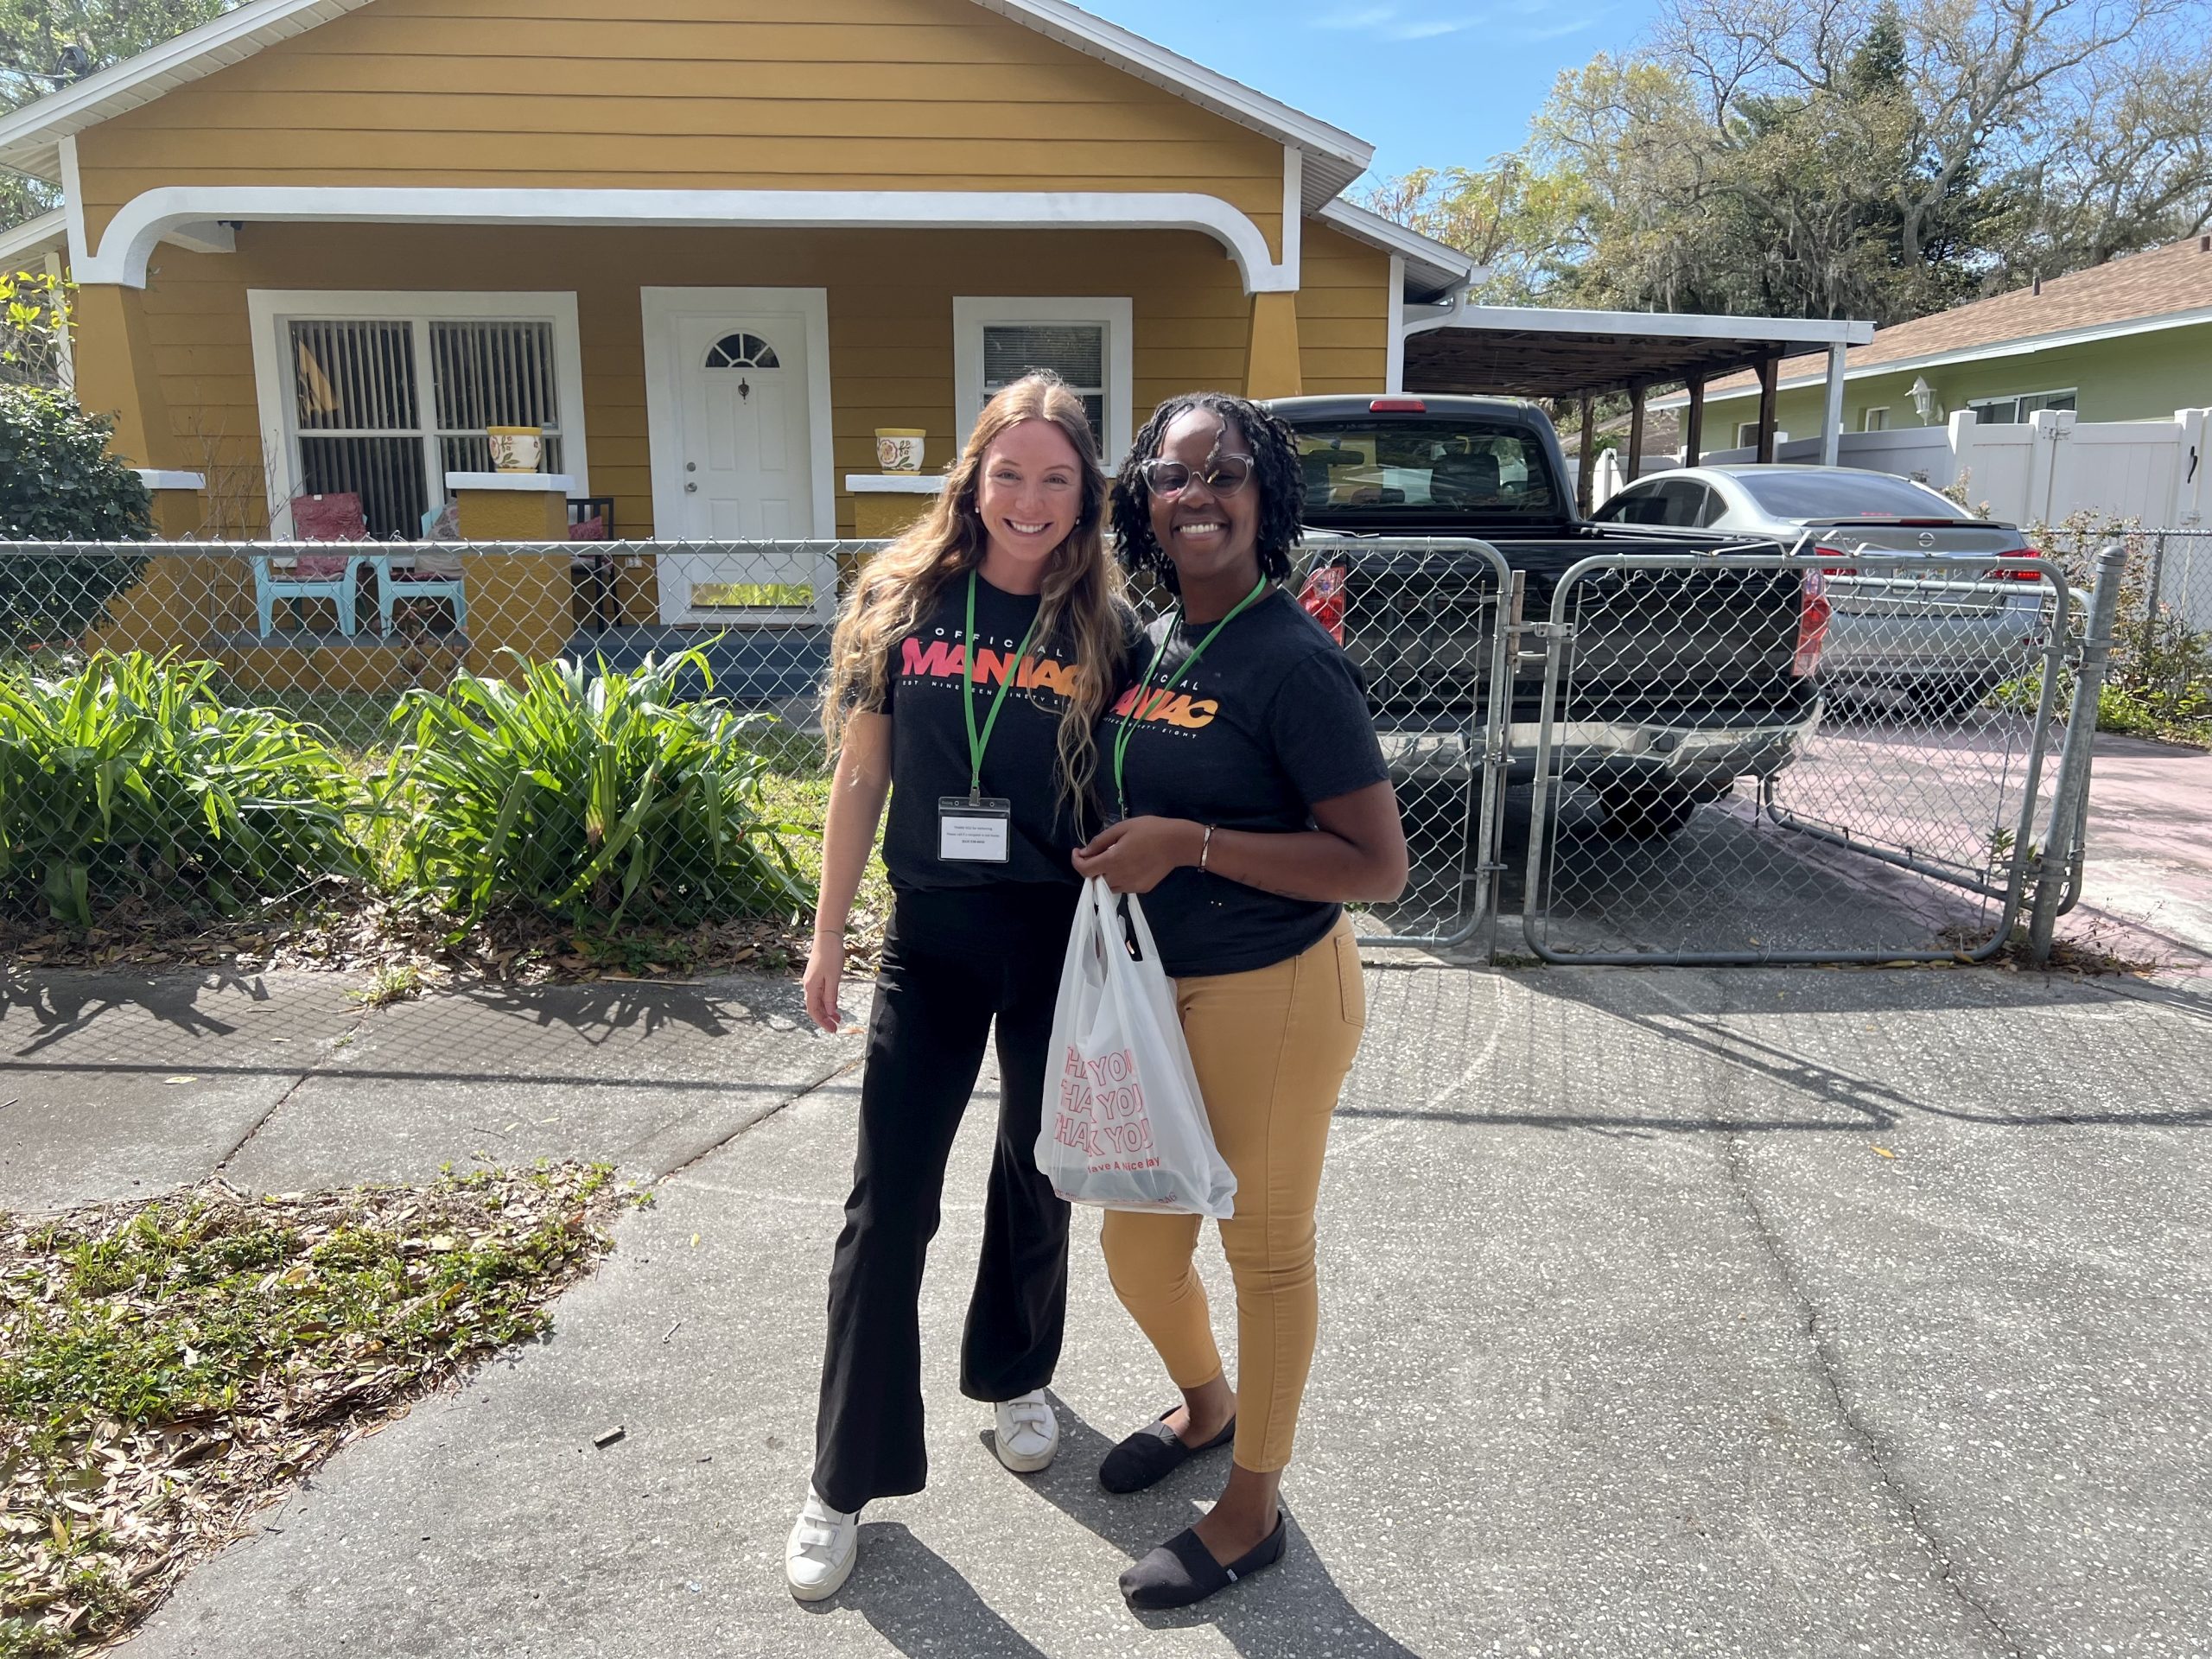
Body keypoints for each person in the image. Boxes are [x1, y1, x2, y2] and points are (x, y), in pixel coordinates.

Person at [788, 373, 1131, 1602]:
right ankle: (842, 1480)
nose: (1030, 499)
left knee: (1040, 1173)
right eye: (1009, 472)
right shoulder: (904, 600)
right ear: (973, 479)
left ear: (1084, 494)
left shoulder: (1106, 627)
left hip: (1054, 935)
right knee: (888, 1207)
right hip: (930, 936)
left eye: (1056, 478)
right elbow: (861, 777)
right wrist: (827, 936)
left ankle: (1015, 1373)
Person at [1073, 391, 1408, 1611]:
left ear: (1266, 496)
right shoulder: (1153, 640)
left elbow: (1377, 866)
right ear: (1144, 501)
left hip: (1274, 993)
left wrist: (1190, 845)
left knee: (1262, 1251)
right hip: (1152, 994)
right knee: (1135, 1246)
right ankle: (1207, 1405)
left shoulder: (1294, 659)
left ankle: (1252, 1503)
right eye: (1172, 476)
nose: (1197, 494)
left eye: (1224, 473)